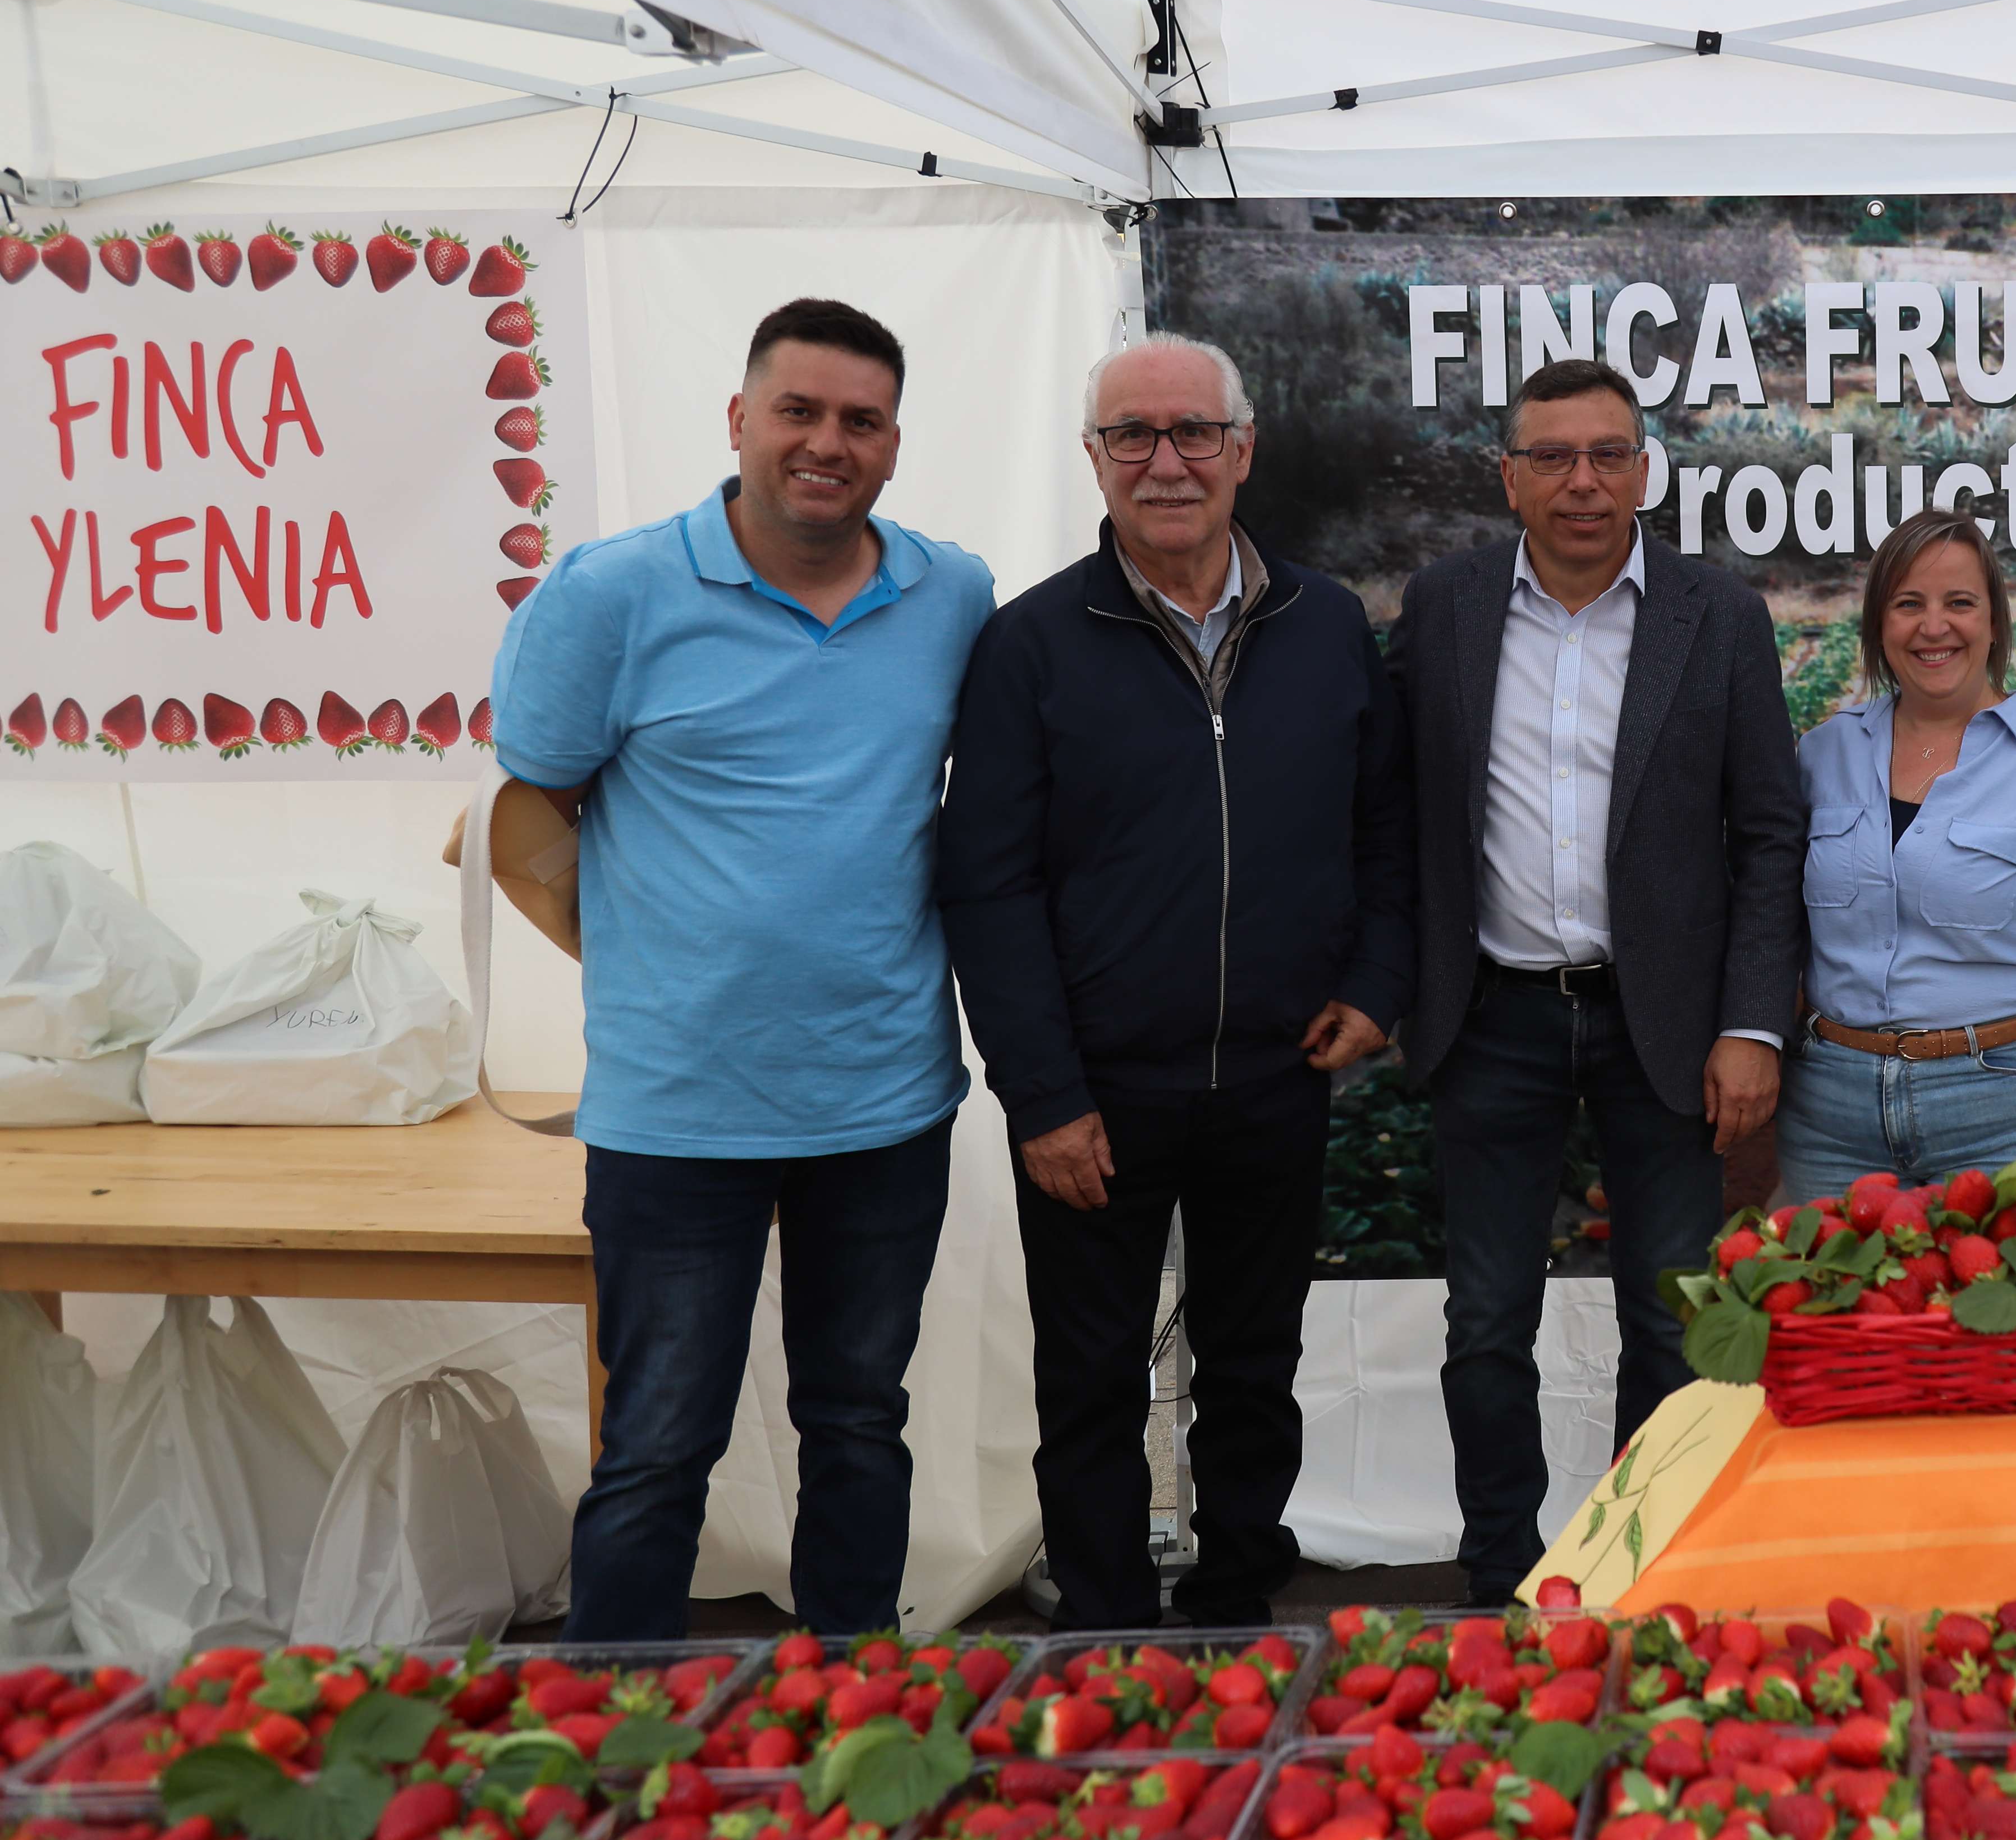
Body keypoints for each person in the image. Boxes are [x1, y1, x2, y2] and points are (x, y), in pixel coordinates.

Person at [489, 296, 994, 1638]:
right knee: (658, 1446)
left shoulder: (953, 594)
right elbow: (531, 809)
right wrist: (667, 969)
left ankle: (853, 1727)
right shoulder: (611, 593)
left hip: (884, 1099)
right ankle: (621, 1766)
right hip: (676, 1114)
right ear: (739, 419)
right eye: (799, 411)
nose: (826, 442)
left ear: (893, 445)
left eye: (859, 421)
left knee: (859, 1424)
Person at [936, 335, 1413, 1631]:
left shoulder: (1326, 630)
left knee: (1254, 1370)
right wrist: (1041, 1093)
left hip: (1277, 1073)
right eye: (1133, 436)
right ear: (1093, 460)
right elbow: (988, 885)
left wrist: (1376, 983)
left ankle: (1236, 1606)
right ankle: (1100, 1631)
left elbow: (1386, 831)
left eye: (1194, 432)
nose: (1167, 461)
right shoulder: (1030, 646)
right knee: (1088, 1380)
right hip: (1096, 1094)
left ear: (1244, 450)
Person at [1386, 359, 1802, 1605]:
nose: (1583, 479)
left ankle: (1649, 1560)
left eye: (1609, 453)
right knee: (1485, 1319)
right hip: (1494, 1016)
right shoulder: (1445, 606)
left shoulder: (1713, 615)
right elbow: (1401, 810)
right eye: (1554, 455)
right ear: (1508, 475)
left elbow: (1770, 829)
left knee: (1672, 1319)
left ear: (1644, 470)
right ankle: (1504, 1569)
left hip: (1662, 1026)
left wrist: (1749, 1022)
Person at [1777, 509, 2016, 1203]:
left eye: (1960, 604)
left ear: (1996, 623)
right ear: (1879, 625)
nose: (1934, 626)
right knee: (1834, 1312)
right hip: (1832, 1116)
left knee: (2005, 1311)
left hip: (2012, 1110)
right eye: (1908, 604)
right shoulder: (1824, 754)